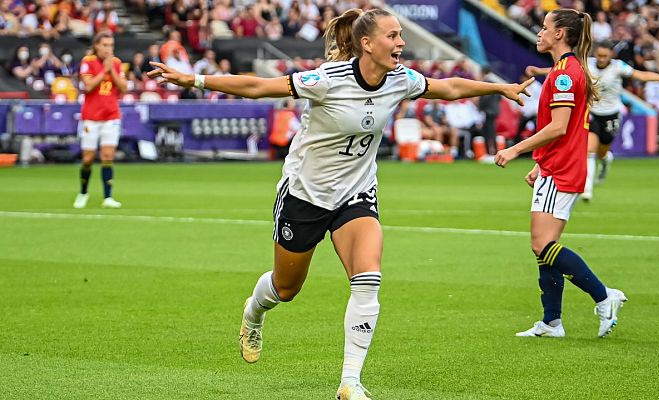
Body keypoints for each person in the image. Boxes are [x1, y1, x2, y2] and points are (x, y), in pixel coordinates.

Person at [148, 8, 532, 400]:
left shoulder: (400, 79)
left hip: (356, 194)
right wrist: (192, 78)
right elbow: (260, 86)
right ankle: (253, 314)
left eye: (401, 35)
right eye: (393, 35)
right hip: (305, 195)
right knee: (286, 288)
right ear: (367, 44)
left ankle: (350, 382)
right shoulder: (327, 80)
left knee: (368, 279)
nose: (401, 43)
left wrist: (498, 89)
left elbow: (446, 87)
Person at [494, 9, 627, 339]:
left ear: (559, 35)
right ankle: (552, 321)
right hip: (557, 165)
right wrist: (540, 162)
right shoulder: (566, 69)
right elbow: (565, 132)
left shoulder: (565, 73)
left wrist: (516, 149)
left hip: (563, 169)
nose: (539, 33)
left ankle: (603, 295)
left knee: (543, 244)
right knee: (544, 245)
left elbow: (559, 126)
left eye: (544, 28)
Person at [526, 40, 659, 201]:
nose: (601, 59)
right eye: (599, 55)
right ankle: (587, 189)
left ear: (611, 55)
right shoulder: (587, 64)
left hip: (611, 114)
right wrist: (539, 71)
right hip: (590, 112)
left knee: (602, 151)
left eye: (605, 56)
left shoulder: (618, 67)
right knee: (589, 150)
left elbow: (641, 75)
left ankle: (605, 161)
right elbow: (562, 71)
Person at [73, 31, 127, 209]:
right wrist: (104, 69)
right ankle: (83, 192)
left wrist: (112, 70)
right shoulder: (88, 62)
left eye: (111, 45)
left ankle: (108, 197)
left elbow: (124, 88)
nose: (108, 49)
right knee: (88, 159)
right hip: (91, 117)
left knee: (107, 156)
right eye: (104, 45)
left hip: (111, 116)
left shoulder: (117, 63)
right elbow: (87, 87)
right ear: (97, 45)